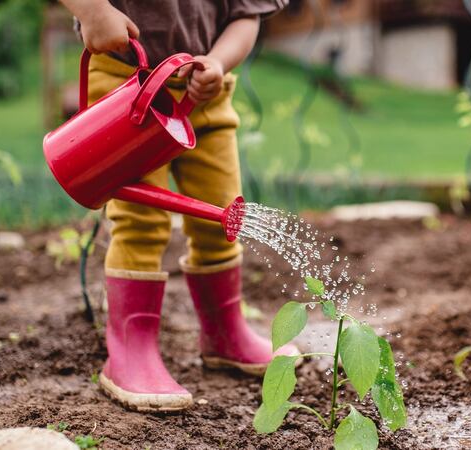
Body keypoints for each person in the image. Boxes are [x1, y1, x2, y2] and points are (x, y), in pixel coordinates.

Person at [58, 0, 297, 412]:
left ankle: (225, 332)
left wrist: (218, 63)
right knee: (141, 221)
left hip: (204, 92)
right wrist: (93, 11)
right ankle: (130, 350)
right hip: (125, 84)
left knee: (223, 215)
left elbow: (246, 15)